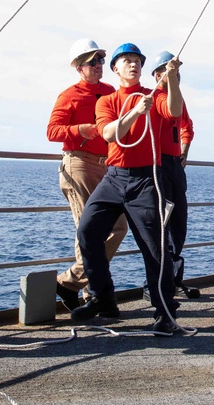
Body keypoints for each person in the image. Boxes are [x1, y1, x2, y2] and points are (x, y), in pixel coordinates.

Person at [70, 43, 183, 335]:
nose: (133, 65)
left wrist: (170, 80)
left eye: (137, 61)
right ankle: (102, 298)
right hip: (114, 177)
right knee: (88, 231)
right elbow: (109, 133)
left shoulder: (154, 94)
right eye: (126, 60)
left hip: (146, 179)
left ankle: (164, 312)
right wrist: (134, 112)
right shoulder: (106, 101)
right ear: (116, 68)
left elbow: (174, 112)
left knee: (154, 247)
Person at [47, 39, 129, 311]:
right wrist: (78, 130)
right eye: (92, 62)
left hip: (107, 165)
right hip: (79, 164)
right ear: (79, 67)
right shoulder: (69, 95)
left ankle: (70, 283)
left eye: (101, 61)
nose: (98, 66)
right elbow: (52, 131)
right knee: (89, 230)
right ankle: (93, 293)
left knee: (117, 226)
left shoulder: (109, 92)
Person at [150, 50, 199, 299]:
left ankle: (174, 278)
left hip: (174, 167)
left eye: (179, 73)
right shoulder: (153, 98)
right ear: (160, 75)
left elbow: (187, 127)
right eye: (172, 73)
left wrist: (184, 150)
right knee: (161, 224)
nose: (177, 77)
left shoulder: (178, 100)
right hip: (156, 167)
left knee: (179, 222)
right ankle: (156, 283)